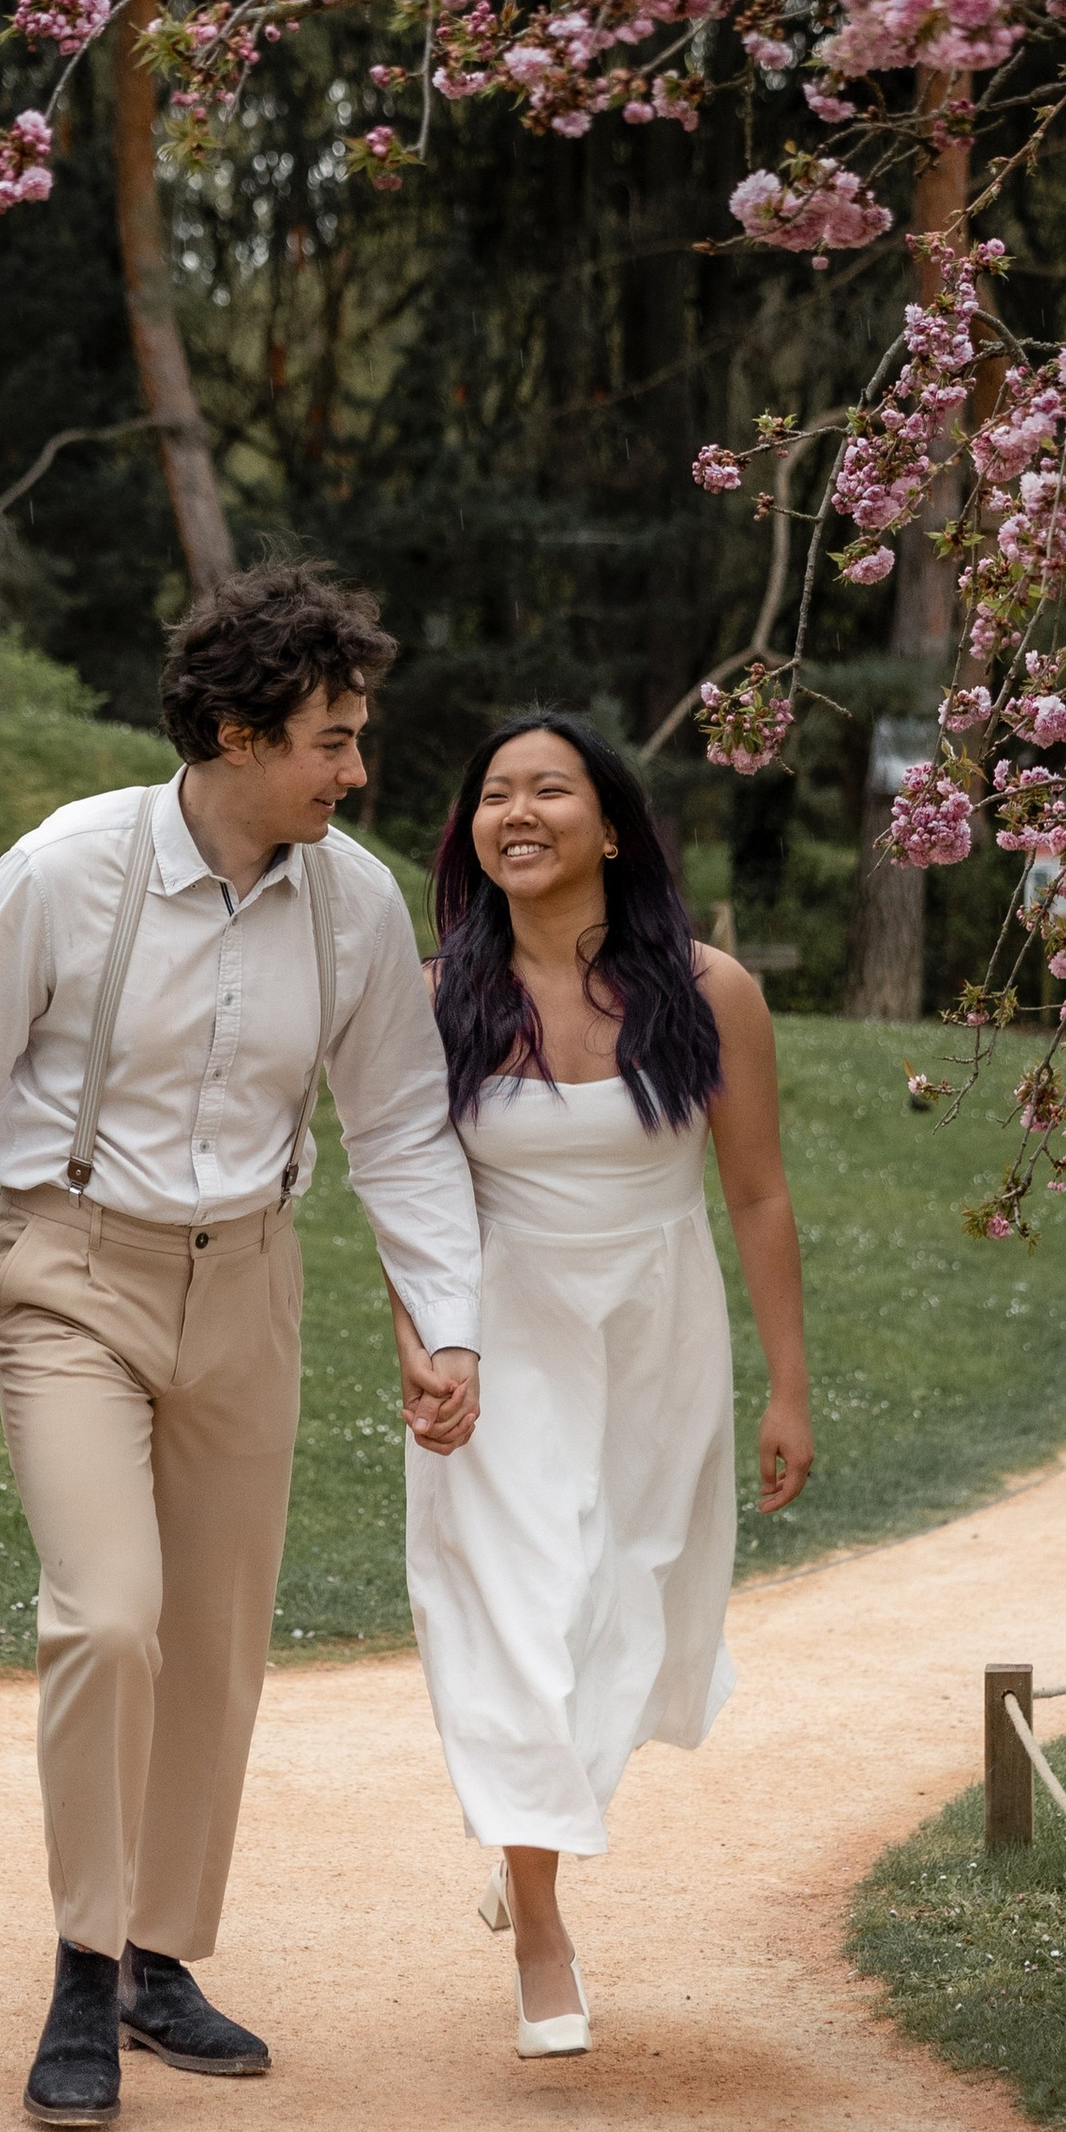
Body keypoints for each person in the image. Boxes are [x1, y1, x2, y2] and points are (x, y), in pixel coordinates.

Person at [0, 561, 481, 2132]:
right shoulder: (64, 871)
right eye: (332, 739)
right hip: (72, 1273)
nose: (359, 770)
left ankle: (158, 1957)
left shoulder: (354, 901)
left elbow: (402, 1129)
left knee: (214, 1644)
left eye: (358, 737)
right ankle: (83, 1968)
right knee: (110, 1620)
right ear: (232, 730)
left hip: (253, 1285)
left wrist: (449, 1328)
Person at [390, 712, 814, 2057]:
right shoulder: (429, 996)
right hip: (497, 1342)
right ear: (471, 834)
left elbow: (758, 1195)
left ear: (613, 826)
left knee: (617, 1606)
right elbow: (412, 1197)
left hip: (655, 1333)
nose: (518, 812)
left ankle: (529, 1835)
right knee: (514, 1609)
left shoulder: (709, 991)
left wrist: (788, 1388)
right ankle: (540, 1923)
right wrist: (422, 1340)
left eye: (551, 790)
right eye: (495, 794)